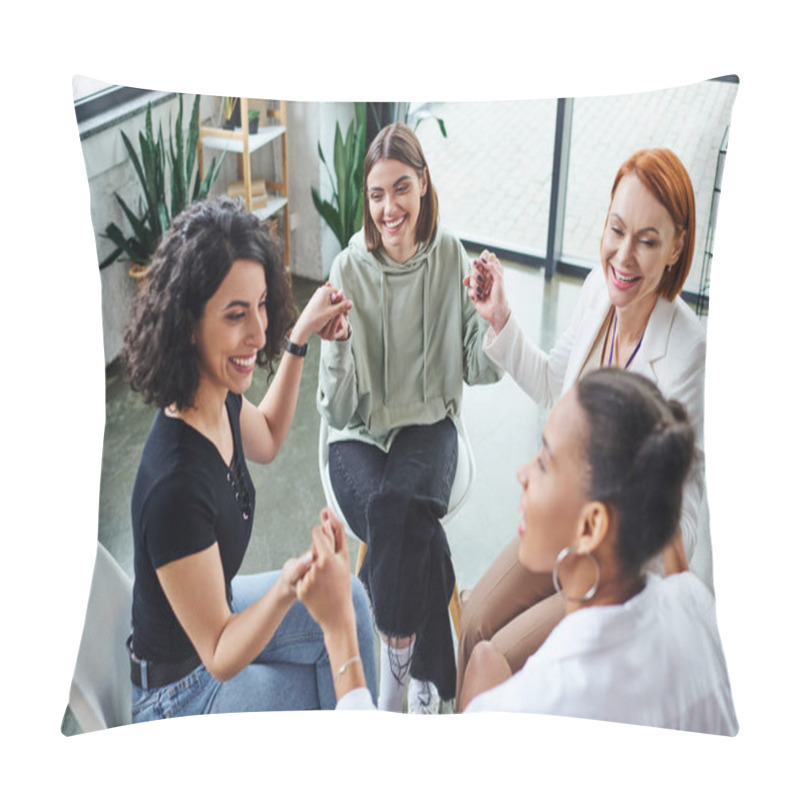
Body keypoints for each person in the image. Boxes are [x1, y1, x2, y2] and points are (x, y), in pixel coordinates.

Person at [296, 369, 738, 735]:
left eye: (544, 461)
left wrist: (339, 630)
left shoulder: (539, 702)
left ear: (591, 526)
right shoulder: (696, 603)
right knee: (484, 651)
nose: (523, 473)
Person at [456, 147, 708, 709]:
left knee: (493, 658)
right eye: (616, 229)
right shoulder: (599, 289)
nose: (623, 255)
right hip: (560, 525)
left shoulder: (688, 349)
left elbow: (682, 515)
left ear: (676, 248)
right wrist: (500, 318)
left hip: (612, 562)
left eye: (647, 240)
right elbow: (552, 383)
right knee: (474, 624)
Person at [123, 196, 377, 722]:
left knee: (349, 601)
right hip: (179, 695)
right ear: (188, 324)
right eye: (237, 314)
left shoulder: (214, 391)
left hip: (221, 611)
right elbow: (217, 653)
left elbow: (267, 437)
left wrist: (300, 335)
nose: (258, 333)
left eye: (262, 304)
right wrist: (289, 582)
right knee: (328, 684)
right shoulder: (175, 485)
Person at [317, 123, 503, 713]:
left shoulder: (452, 257)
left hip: (429, 424)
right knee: (403, 521)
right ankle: (424, 677)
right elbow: (339, 408)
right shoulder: (346, 270)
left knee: (400, 515)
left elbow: (478, 367)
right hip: (359, 434)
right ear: (367, 201)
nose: (389, 207)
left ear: (423, 183)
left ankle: (391, 686)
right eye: (376, 195)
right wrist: (340, 346)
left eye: (401, 188)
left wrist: (493, 318)